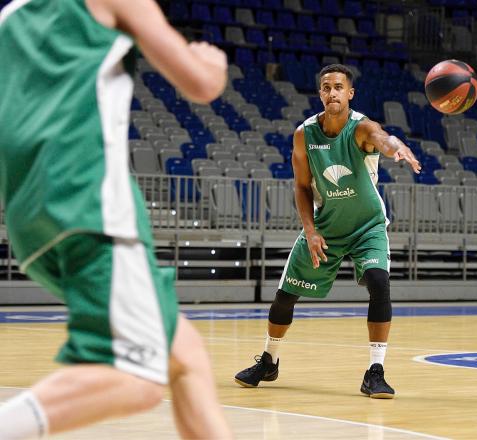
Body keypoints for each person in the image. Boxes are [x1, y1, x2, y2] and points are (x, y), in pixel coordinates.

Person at [0, 0, 232, 438]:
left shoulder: (11, 17)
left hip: (29, 217)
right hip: (90, 201)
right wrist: (211, 61)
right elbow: (201, 84)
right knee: (137, 377)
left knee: (184, 355)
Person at [234, 64, 421, 399]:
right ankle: (269, 360)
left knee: (379, 282)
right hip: (326, 227)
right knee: (285, 295)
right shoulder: (304, 134)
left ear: (350, 93)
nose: (332, 92)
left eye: (338, 87)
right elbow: (302, 187)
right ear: (319, 93)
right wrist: (309, 230)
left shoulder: (360, 127)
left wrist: (396, 146)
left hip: (367, 226)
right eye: (326, 87)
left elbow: (379, 137)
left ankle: (375, 371)